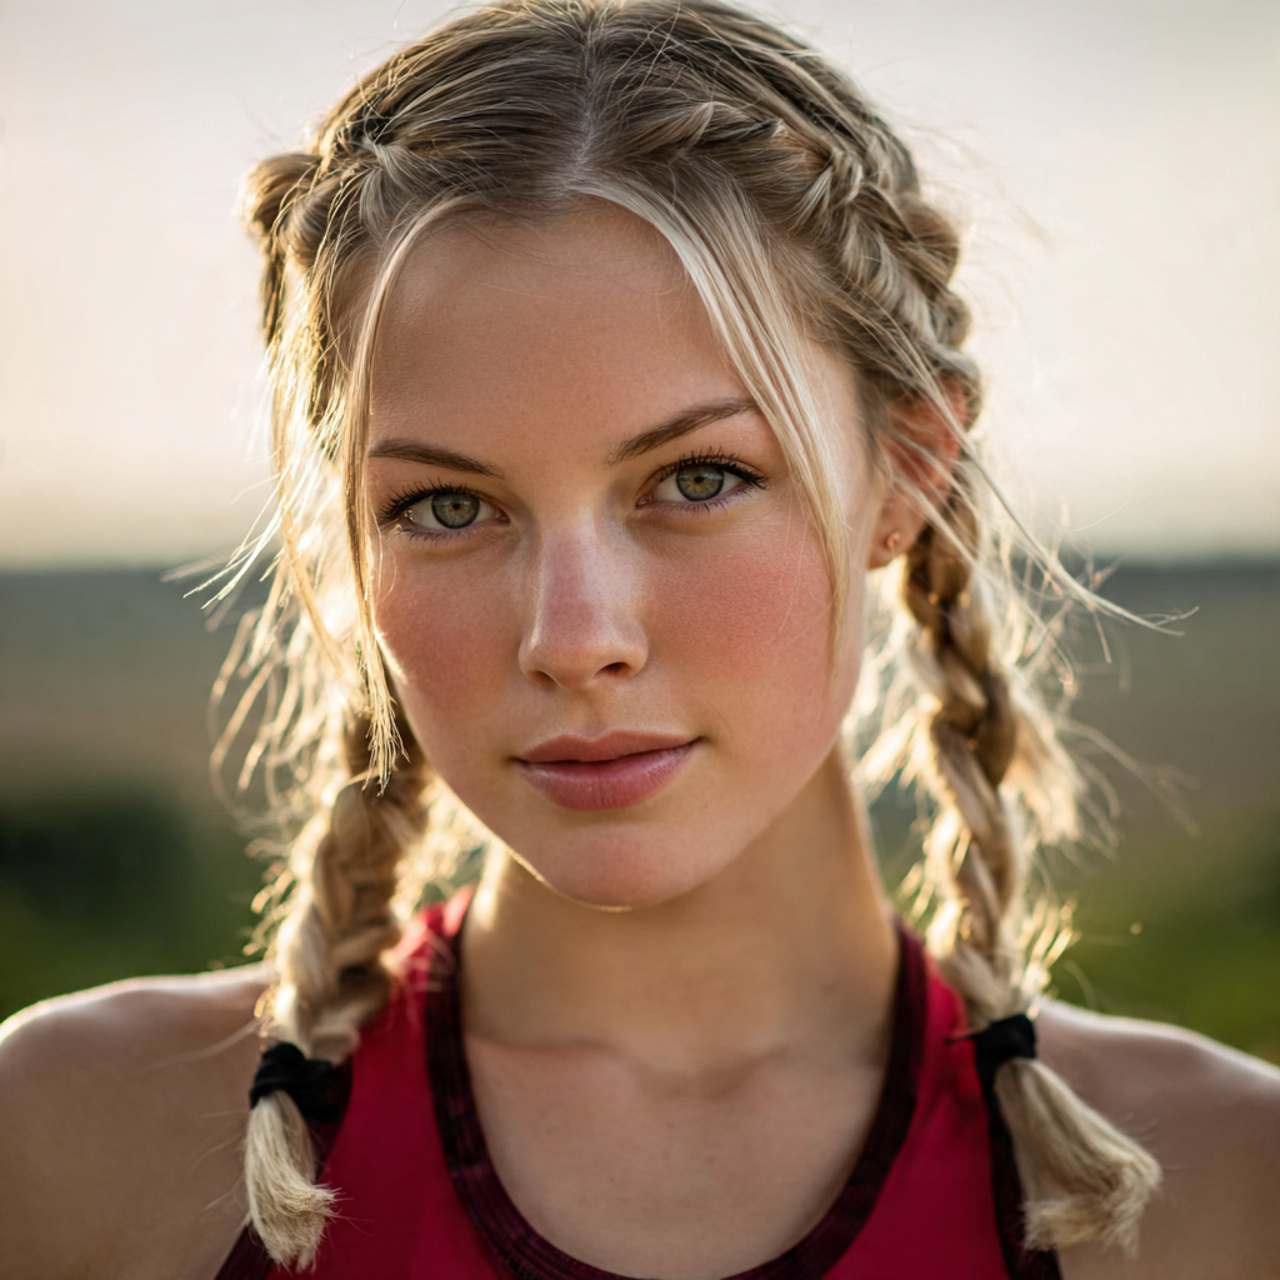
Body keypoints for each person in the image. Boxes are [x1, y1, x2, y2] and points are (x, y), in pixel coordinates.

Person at [2, 1, 1278, 1276]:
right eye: (446, 506)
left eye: (698, 478)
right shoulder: (81, 1143)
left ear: (908, 471)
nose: (573, 638)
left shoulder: (1215, 1187)